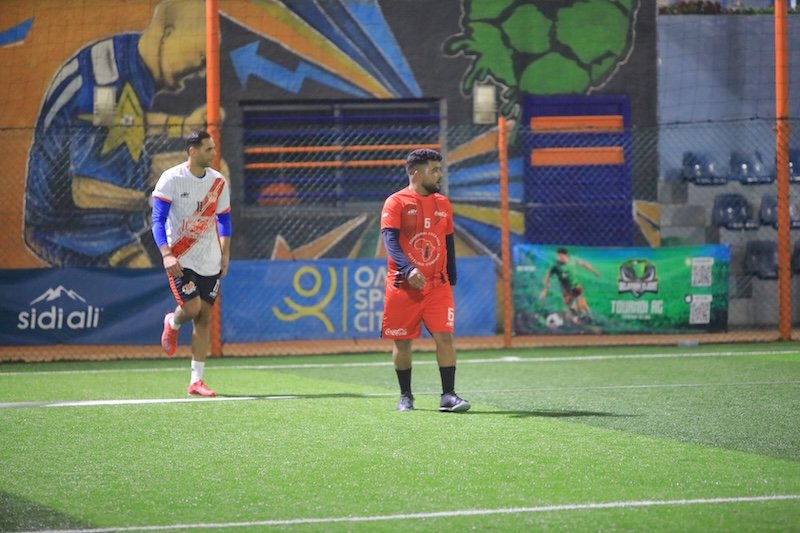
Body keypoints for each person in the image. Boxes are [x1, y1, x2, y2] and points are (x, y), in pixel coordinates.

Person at [24, 0, 211, 267]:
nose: (203, 73)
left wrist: (182, 125)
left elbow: (121, 119)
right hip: (72, 229)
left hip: (113, 192)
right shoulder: (103, 85)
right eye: (202, 58)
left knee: (210, 168)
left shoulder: (129, 55)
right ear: (168, 34)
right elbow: (85, 192)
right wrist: (156, 204)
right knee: (145, 278)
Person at [380, 149, 470, 413]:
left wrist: (451, 276)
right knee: (402, 342)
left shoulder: (443, 204)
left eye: (440, 169)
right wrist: (408, 269)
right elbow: (390, 241)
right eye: (434, 170)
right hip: (403, 285)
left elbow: (448, 242)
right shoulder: (395, 202)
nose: (439, 174)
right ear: (416, 173)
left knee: (445, 336)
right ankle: (405, 396)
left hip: (437, 285)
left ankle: (448, 396)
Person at [151, 131, 231, 397]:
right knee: (192, 307)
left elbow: (224, 220)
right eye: (208, 149)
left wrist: (225, 254)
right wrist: (166, 254)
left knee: (204, 316)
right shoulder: (171, 179)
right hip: (180, 257)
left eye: (214, 148)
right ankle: (173, 322)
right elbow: (157, 220)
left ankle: (196, 381)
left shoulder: (218, 182)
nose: (213, 153)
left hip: (209, 258)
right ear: (192, 151)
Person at [538, 247, 600, 324]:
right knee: (569, 305)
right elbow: (548, 274)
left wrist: (594, 271)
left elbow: (584, 264)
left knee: (582, 304)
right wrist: (545, 289)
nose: (559, 258)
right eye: (558, 256)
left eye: (561, 256)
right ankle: (575, 318)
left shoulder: (573, 260)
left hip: (575, 286)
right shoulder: (556, 265)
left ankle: (589, 316)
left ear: (566, 255)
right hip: (565, 289)